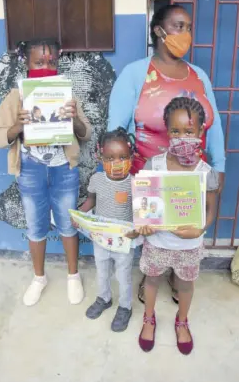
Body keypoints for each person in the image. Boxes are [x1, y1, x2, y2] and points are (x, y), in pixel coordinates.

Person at [107, 3, 226, 303]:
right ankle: (151, 276)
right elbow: (115, 132)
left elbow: (214, 124)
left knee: (182, 231)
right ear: (159, 30)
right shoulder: (135, 74)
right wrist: (116, 181)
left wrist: (219, 166)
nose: (185, 33)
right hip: (148, 177)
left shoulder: (198, 76)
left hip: (191, 177)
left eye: (188, 27)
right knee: (154, 237)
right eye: (178, 26)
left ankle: (178, 277)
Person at [0, 38, 92, 306]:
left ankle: (73, 276)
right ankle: (39, 278)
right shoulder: (16, 97)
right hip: (31, 170)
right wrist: (18, 127)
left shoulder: (66, 95)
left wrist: (72, 121)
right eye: (39, 62)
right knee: (35, 226)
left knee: (67, 223)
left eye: (51, 62)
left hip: (63, 168)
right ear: (26, 62)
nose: (46, 66)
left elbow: (86, 133)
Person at [137, 97, 219, 354]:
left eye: (189, 131)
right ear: (166, 130)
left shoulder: (205, 172)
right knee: (151, 280)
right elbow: (144, 210)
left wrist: (201, 229)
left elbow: (210, 211)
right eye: (175, 131)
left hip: (189, 245)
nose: (182, 137)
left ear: (200, 131)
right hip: (158, 242)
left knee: (185, 284)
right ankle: (148, 318)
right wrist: (144, 224)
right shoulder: (155, 166)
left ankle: (182, 320)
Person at [79, 127, 142, 332]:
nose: (116, 163)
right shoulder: (97, 180)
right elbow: (90, 201)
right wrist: (79, 215)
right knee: (102, 272)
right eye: (110, 157)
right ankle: (104, 298)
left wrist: (138, 230)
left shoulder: (135, 184)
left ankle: (125, 307)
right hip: (101, 240)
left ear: (131, 156)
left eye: (123, 157)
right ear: (100, 156)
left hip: (124, 241)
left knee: (123, 276)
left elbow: (142, 213)